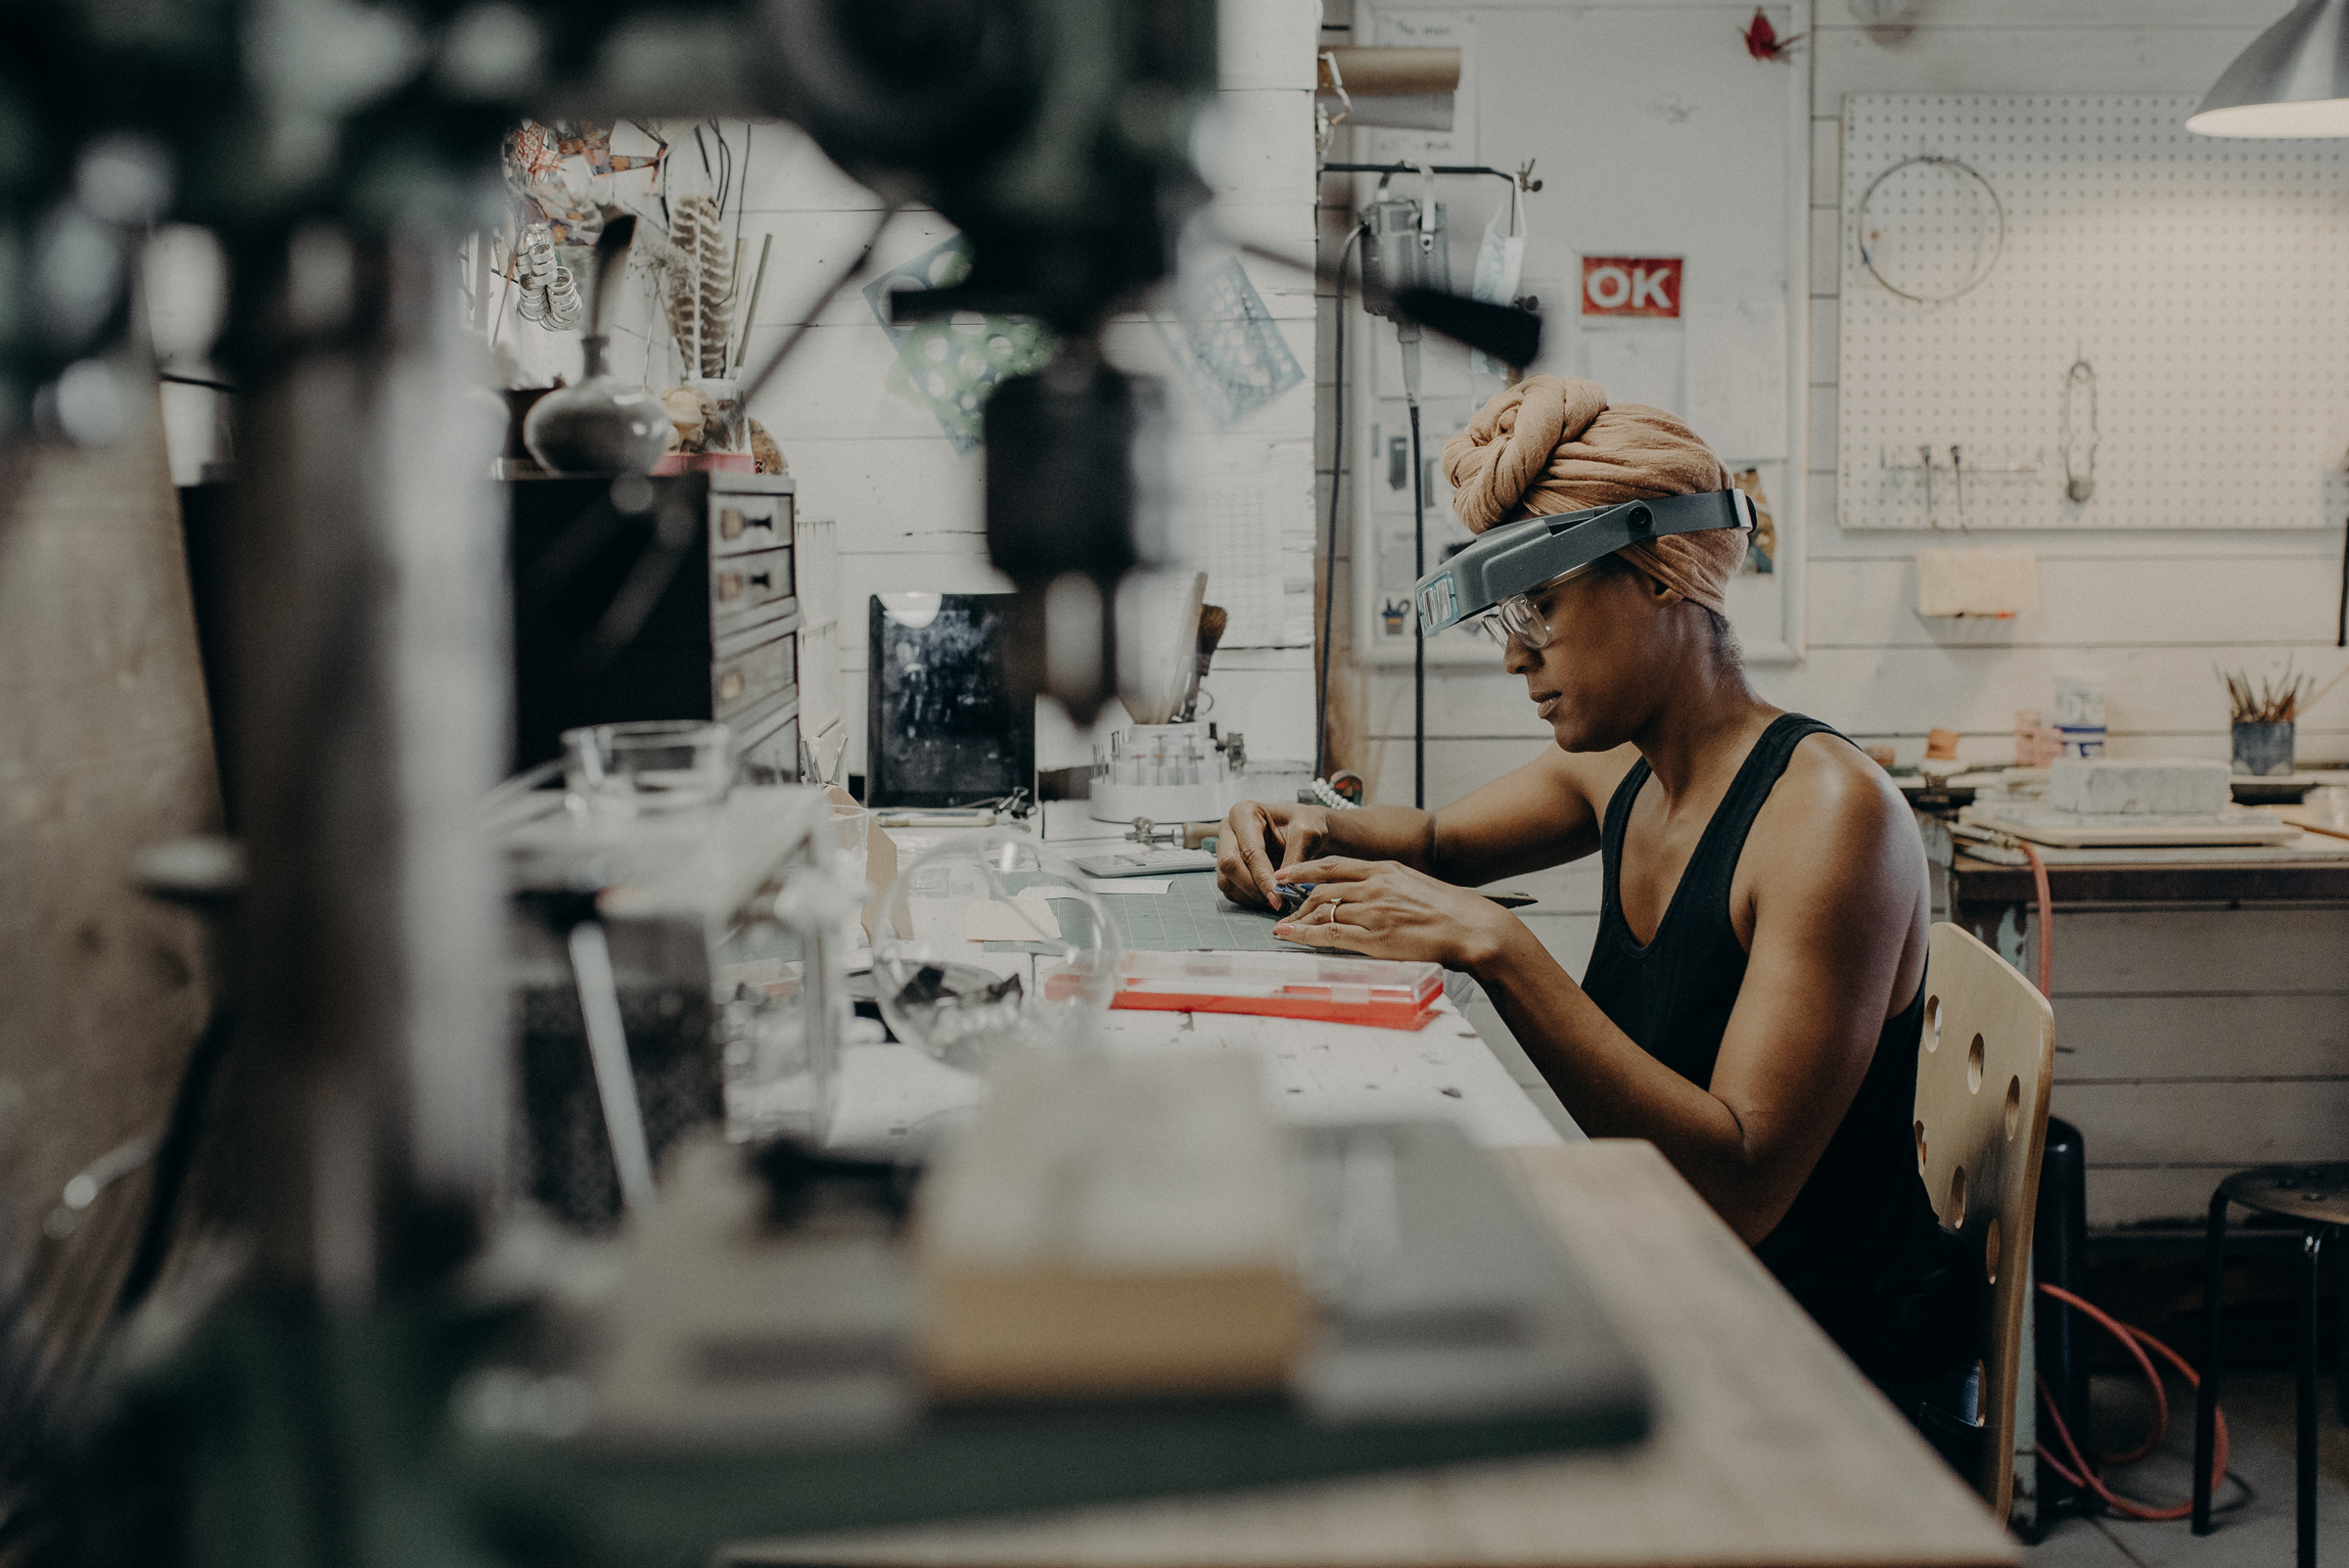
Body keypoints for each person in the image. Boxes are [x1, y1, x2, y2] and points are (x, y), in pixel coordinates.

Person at [1217, 375, 1981, 1435]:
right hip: (1670, 1274)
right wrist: (1289, 821)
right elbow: (1437, 838)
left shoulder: (1827, 817)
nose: (1517, 654)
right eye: (1504, 619)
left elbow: (1742, 1190)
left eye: (1542, 607)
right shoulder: (1624, 765)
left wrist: (1502, 950)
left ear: (1660, 574)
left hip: (1814, 1356)